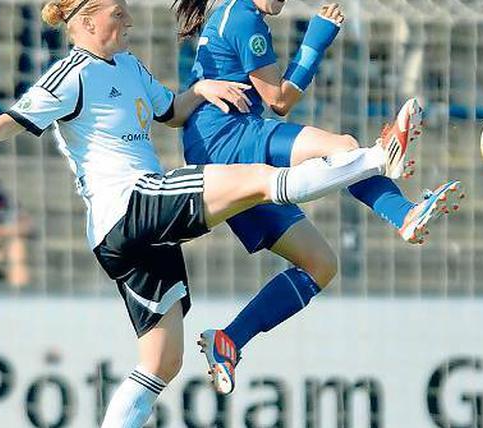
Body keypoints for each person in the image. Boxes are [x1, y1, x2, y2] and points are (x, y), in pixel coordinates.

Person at [0, 0, 419, 426]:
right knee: (260, 180)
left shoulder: (129, 66)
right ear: (86, 21)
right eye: (117, 13)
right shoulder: (69, 76)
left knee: (161, 364)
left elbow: (170, 112)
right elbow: (3, 125)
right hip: (132, 201)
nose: (127, 19)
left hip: (121, 237)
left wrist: (200, 90)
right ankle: (377, 156)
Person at [172, 0, 463, 394]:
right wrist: (316, 39)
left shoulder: (231, 13)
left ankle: (230, 340)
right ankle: (397, 201)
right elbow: (280, 101)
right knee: (343, 145)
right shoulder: (241, 15)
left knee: (321, 265)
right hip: (229, 138)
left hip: (212, 151)